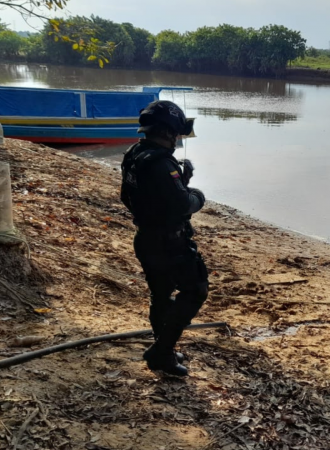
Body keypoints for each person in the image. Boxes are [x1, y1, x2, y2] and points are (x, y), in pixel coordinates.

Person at [121, 100, 207, 377]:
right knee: (195, 290)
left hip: (146, 238)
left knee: (161, 295)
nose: (178, 139)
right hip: (168, 243)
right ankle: (161, 351)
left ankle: (164, 352)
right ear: (168, 131)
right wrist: (197, 196)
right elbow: (183, 204)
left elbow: (129, 196)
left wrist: (178, 185)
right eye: (177, 134)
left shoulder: (135, 153)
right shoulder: (161, 162)